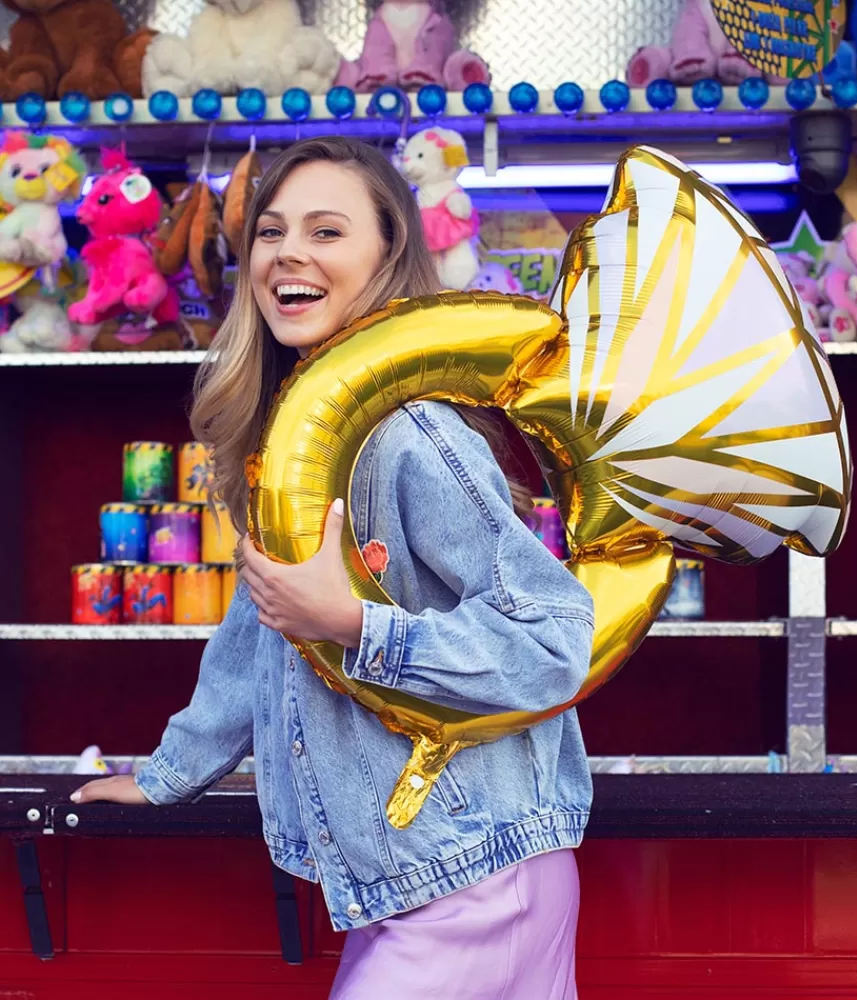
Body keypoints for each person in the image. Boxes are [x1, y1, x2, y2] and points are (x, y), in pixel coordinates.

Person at [72, 136, 595, 999]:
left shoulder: (411, 435)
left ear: (389, 256)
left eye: (326, 231)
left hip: (481, 880)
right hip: (413, 883)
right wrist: (165, 777)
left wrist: (355, 622)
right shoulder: (302, 442)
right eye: (272, 232)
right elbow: (257, 638)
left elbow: (554, 640)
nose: (289, 254)